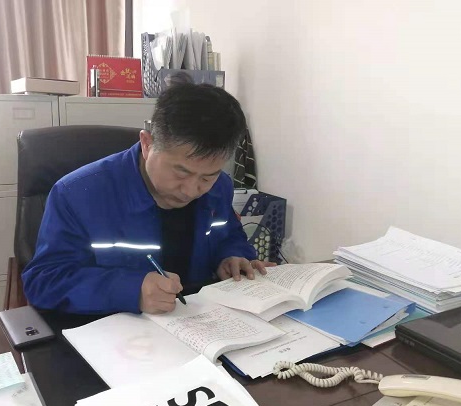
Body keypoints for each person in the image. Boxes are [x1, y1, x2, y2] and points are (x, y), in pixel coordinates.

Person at [22, 82, 274, 315]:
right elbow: (43, 281)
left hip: (197, 322)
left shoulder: (219, 188)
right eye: (181, 172)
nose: (190, 190)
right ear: (147, 143)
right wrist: (131, 291)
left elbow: (228, 236)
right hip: (117, 333)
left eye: (207, 177)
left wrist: (231, 257)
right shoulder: (76, 195)